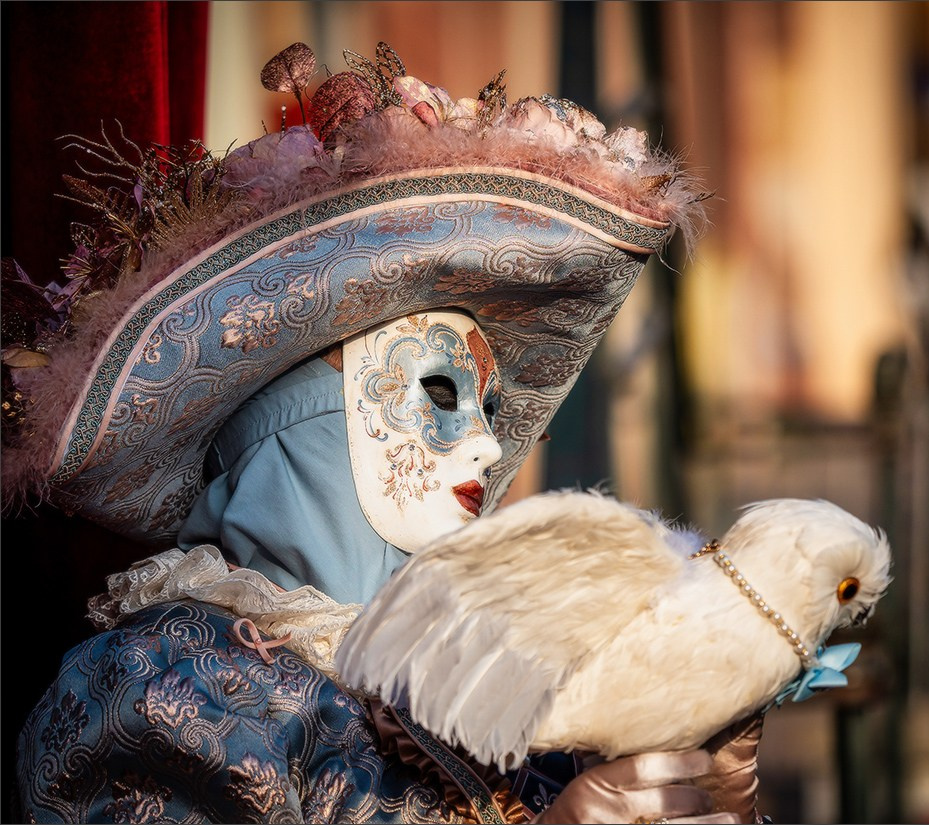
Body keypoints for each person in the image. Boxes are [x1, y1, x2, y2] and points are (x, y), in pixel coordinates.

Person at [7, 42, 765, 823]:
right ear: (301, 423)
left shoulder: (500, 692)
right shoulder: (156, 684)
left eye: (491, 410)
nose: (490, 446)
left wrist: (710, 795)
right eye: (439, 390)